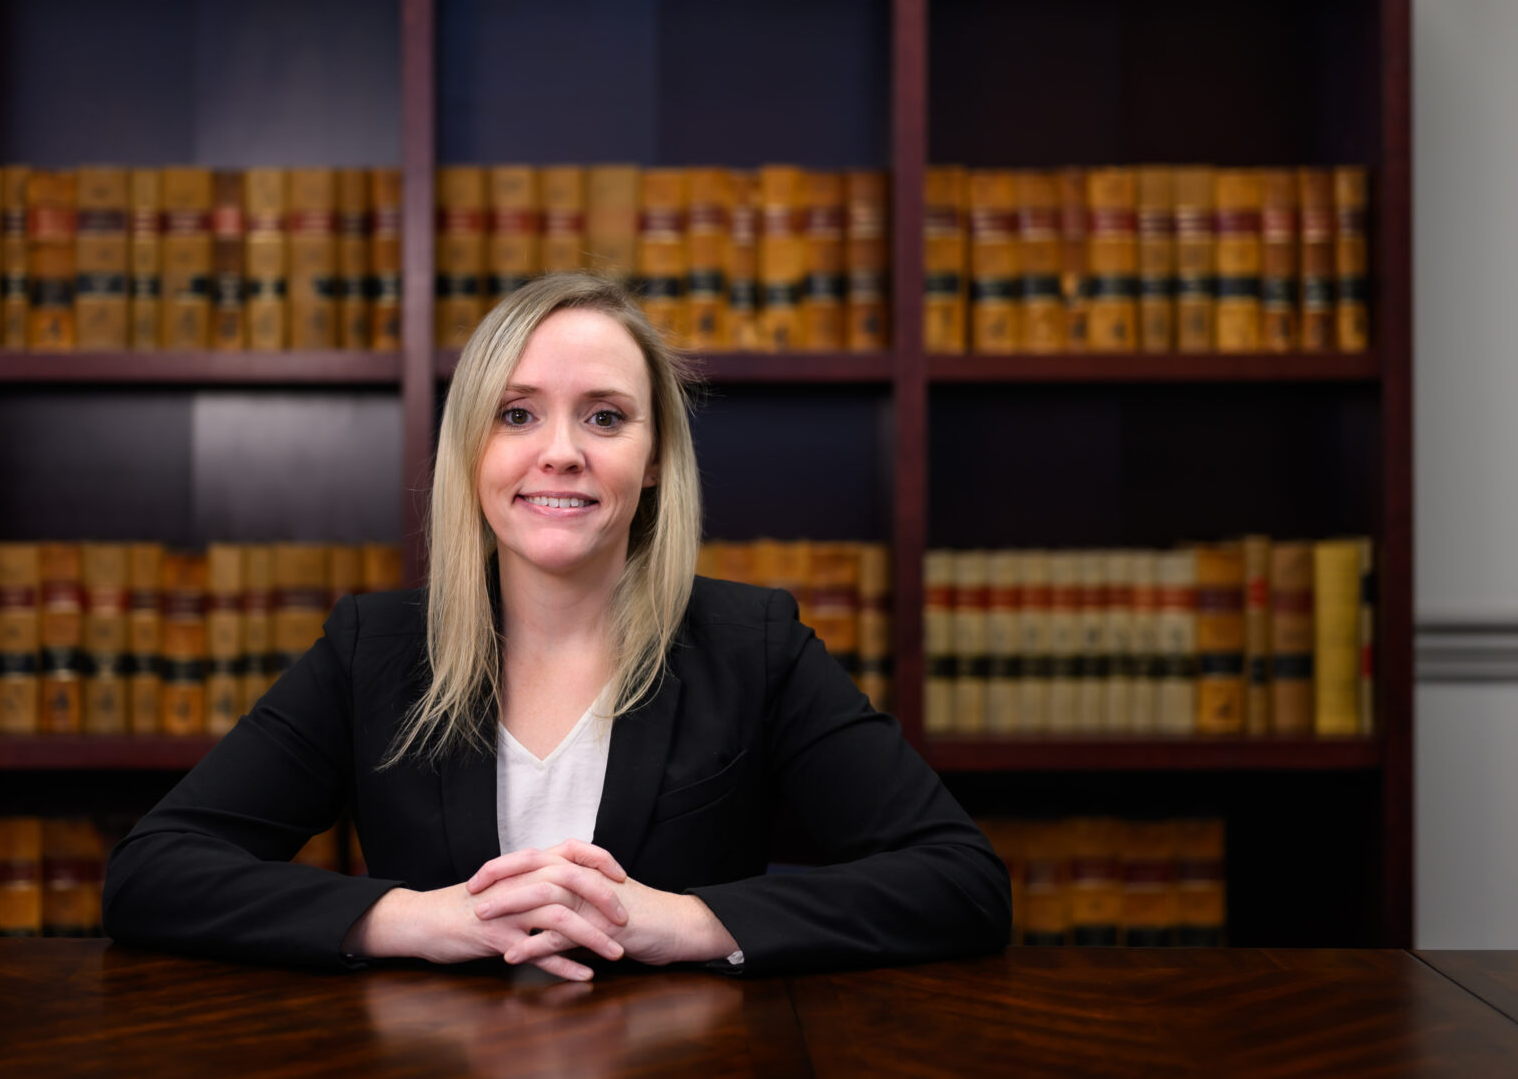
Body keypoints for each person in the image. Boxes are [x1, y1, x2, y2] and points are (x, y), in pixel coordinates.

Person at [103, 273, 1011, 978]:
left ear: (653, 460)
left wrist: (693, 921)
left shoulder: (754, 643)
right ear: (474, 449)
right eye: (517, 413)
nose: (562, 450)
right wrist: (414, 918)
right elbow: (153, 872)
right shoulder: (373, 650)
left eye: (605, 417)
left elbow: (963, 882)